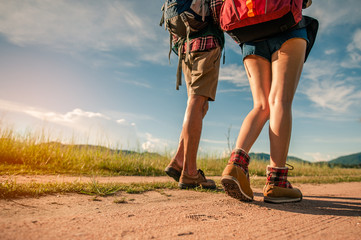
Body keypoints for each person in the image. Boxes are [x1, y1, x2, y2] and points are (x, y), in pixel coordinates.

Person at [221, 0, 318, 203]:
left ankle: (236, 165)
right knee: (279, 100)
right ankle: (276, 182)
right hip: (287, 27)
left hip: (249, 32)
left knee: (261, 105)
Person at [164, 0, 225, 189]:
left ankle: (178, 161)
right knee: (197, 102)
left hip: (185, 47)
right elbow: (217, 10)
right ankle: (190, 172)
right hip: (206, 45)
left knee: (200, 105)